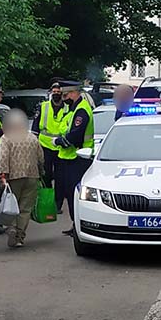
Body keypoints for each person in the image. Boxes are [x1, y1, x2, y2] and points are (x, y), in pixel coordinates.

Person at [53, 80, 95, 235]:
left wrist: (59, 141)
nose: (64, 98)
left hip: (79, 157)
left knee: (74, 194)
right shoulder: (73, 109)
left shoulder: (82, 110)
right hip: (69, 157)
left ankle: (78, 225)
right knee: (69, 193)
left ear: (74, 93)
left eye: (66, 95)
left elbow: (76, 135)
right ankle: (74, 224)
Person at [0, 111, 45, 248]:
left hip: (13, 177)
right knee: (25, 209)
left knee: (12, 206)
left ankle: (11, 228)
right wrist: (41, 172)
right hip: (32, 176)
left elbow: (3, 158)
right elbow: (41, 158)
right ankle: (19, 237)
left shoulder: (6, 138)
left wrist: (2, 175)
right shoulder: (32, 138)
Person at [32, 82, 67, 192]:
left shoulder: (67, 108)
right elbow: (35, 126)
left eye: (58, 92)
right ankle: (48, 195)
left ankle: (59, 198)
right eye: (54, 92)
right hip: (45, 146)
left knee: (60, 175)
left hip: (61, 146)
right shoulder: (43, 106)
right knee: (46, 173)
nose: (56, 94)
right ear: (51, 93)